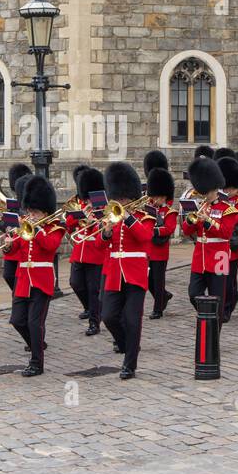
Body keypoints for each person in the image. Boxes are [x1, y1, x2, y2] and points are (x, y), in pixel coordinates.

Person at [99, 162, 155, 380]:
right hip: (114, 273)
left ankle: (129, 364)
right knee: (109, 316)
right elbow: (98, 245)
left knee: (132, 320)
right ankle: (127, 346)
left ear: (131, 196)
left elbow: (146, 238)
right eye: (117, 198)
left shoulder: (144, 216)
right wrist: (105, 233)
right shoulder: (111, 217)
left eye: (123, 198)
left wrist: (128, 218)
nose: (120, 202)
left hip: (135, 273)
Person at [8, 174, 63, 377]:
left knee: (34, 322)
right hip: (23, 279)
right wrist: (9, 243)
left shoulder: (55, 227)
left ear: (45, 211)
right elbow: (15, 251)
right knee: (17, 320)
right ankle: (37, 345)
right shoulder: (24, 226)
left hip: (41, 279)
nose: (31, 214)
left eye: (35, 211)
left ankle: (36, 362)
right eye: (29, 210)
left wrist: (37, 228)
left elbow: (51, 246)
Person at [181, 156, 238, 311]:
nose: (204, 195)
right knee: (193, 294)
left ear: (215, 189)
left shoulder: (227, 209)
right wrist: (190, 221)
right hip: (200, 257)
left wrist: (207, 221)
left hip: (219, 257)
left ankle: (214, 329)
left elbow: (225, 233)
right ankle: (206, 317)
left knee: (218, 300)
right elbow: (187, 232)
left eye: (206, 191)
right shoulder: (200, 206)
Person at [67, 166, 107, 336]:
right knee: (75, 283)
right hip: (79, 252)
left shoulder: (104, 206)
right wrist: (80, 216)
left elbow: (105, 229)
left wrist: (94, 221)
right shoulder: (82, 205)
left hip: (96, 254)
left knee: (93, 290)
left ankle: (94, 322)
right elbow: (69, 225)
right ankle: (91, 309)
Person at [217, 156, 238, 322]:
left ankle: (228, 308)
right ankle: (224, 304)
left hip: (234, 246)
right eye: (226, 188)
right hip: (220, 246)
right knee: (221, 279)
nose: (228, 191)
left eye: (231, 188)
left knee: (230, 280)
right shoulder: (220, 201)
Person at [143, 162, 177, 319]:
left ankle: (158, 309)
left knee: (158, 281)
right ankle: (163, 296)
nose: (155, 199)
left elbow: (169, 229)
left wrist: (153, 230)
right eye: (154, 195)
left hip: (160, 251)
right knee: (149, 281)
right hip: (148, 250)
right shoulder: (147, 208)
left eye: (158, 196)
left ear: (164, 196)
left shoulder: (169, 212)